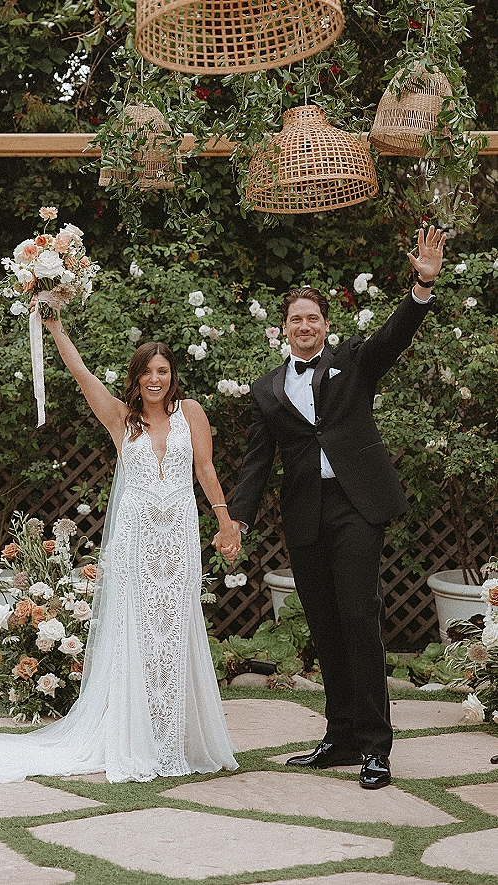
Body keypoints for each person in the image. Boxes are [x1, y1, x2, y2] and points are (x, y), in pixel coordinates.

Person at [0, 313, 239, 784]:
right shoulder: (120, 419)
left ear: (172, 376)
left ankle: (175, 738)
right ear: (136, 378)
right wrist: (55, 328)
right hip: (137, 539)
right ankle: (138, 737)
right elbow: (82, 374)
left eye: (163, 371)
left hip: (179, 537)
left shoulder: (190, 412)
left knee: (176, 629)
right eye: (147, 372)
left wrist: (226, 522)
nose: (155, 379)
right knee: (137, 630)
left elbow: (206, 469)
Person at [215, 226, 447, 789]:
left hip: (356, 508)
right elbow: (255, 462)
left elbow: (395, 334)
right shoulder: (267, 390)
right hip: (305, 515)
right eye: (295, 319)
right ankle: (340, 736)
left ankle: (374, 748)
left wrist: (422, 283)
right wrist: (235, 519)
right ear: (283, 329)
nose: (304, 326)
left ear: (325, 325)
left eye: (312, 318)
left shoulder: (353, 365)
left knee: (359, 622)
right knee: (322, 626)